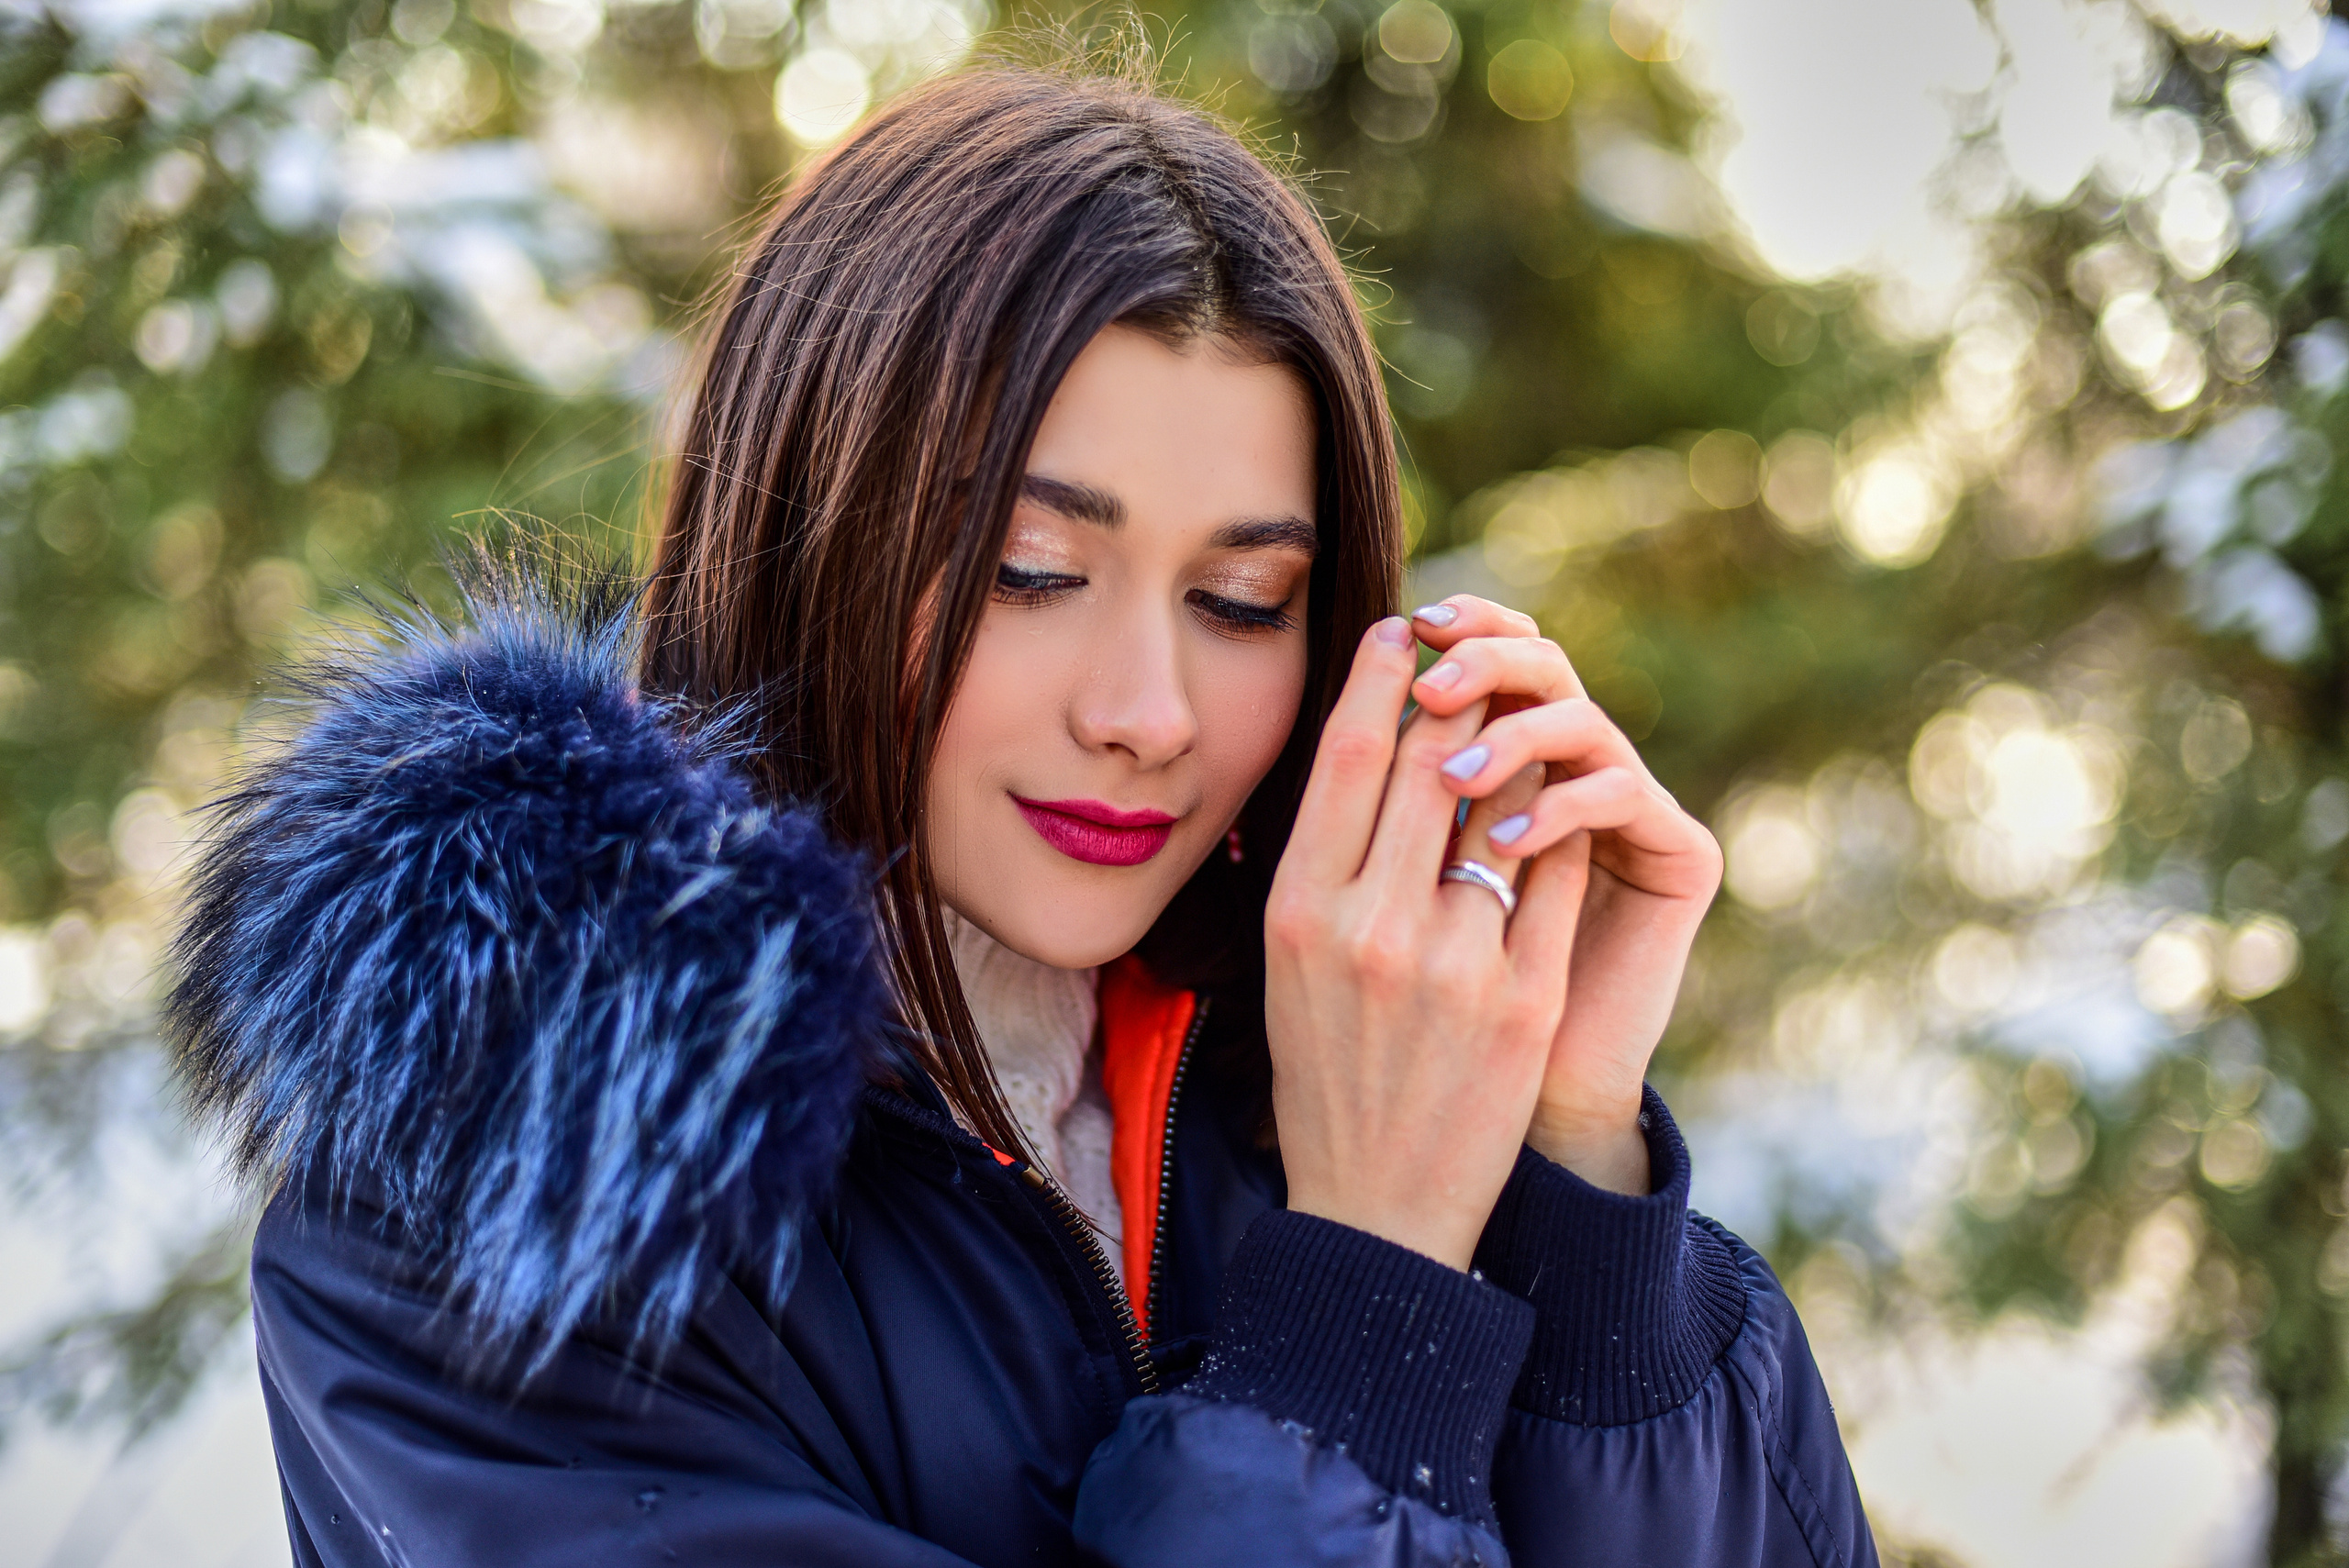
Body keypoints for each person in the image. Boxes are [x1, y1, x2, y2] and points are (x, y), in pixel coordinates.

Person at [166, 61, 1877, 1568]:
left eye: (1241, 603)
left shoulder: (1338, 1085)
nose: (1145, 712)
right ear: (807, 535)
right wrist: (1360, 1304)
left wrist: (1575, 1186)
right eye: (1029, 572)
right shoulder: (481, 1219)